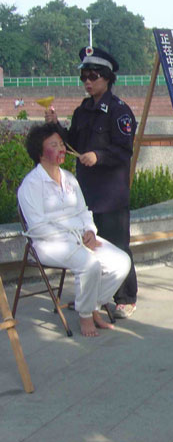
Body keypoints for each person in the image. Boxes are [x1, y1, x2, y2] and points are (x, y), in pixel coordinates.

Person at [45, 47, 138, 319]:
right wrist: (56, 126)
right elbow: (72, 143)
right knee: (88, 246)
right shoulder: (82, 110)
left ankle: (125, 298)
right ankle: (92, 297)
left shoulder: (119, 111)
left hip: (110, 193)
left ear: (107, 78)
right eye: (84, 76)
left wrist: (98, 156)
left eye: (93, 76)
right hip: (85, 194)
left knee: (117, 246)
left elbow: (124, 150)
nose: (88, 81)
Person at [17, 123, 130, 337]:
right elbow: (38, 227)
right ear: (40, 152)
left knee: (121, 261)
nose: (61, 149)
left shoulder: (69, 178)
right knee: (89, 265)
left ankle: (93, 306)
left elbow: (83, 211)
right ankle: (85, 316)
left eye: (62, 144)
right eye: (54, 145)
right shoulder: (31, 185)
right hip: (49, 243)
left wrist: (90, 231)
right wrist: (74, 240)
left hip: (80, 238)